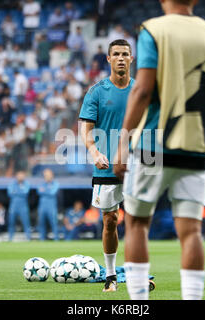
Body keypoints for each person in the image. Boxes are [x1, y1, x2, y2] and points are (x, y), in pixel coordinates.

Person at [113, 0, 205, 300]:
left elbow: (143, 89)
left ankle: (139, 304)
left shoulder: (152, 30)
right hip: (195, 146)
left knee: (137, 223)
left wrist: (123, 141)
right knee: (191, 231)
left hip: (152, 145)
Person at [79, 39, 135, 292]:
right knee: (110, 219)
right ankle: (111, 276)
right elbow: (86, 130)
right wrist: (93, 151)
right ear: (109, 59)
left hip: (138, 166)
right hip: (106, 167)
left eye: (125, 54)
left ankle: (137, 273)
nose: (121, 58)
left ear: (131, 59)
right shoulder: (96, 92)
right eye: (116, 54)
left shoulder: (141, 91)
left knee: (138, 220)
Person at [7, 172, 31, 241]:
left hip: (23, 206)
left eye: (22, 176)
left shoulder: (26, 184)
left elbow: (25, 193)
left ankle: (28, 238)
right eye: (19, 176)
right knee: (11, 222)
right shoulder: (12, 184)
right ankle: (10, 238)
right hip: (13, 206)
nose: (20, 177)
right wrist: (20, 191)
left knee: (26, 222)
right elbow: (10, 193)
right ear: (16, 176)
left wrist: (16, 191)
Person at [37, 169, 59, 241]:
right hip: (42, 207)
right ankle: (42, 239)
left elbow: (52, 193)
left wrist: (45, 191)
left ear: (52, 175)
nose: (47, 177)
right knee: (41, 223)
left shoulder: (56, 184)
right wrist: (47, 191)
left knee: (54, 223)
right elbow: (39, 191)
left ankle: (56, 239)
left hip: (51, 207)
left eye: (48, 175)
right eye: (45, 175)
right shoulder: (41, 184)